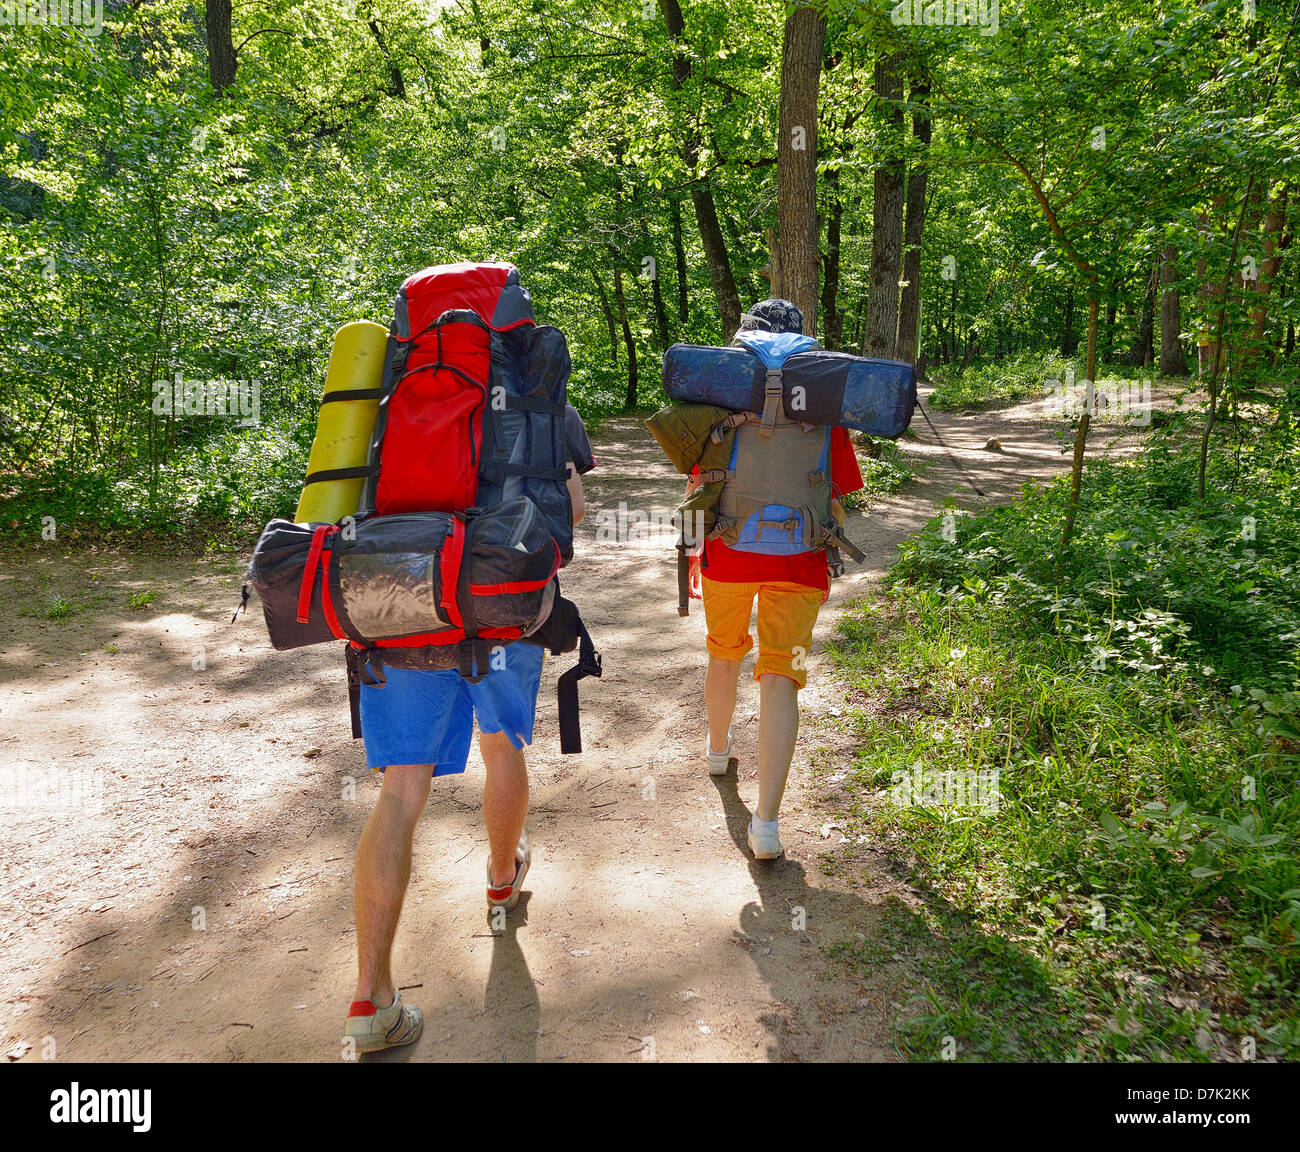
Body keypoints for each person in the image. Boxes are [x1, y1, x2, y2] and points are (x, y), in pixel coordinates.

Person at [343, 403, 594, 1053]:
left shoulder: (394, 396)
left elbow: (344, 505)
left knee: (399, 792)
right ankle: (502, 875)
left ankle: (371, 999)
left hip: (403, 602)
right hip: (501, 608)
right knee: (502, 746)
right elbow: (576, 510)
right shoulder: (541, 399)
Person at [689, 299, 864, 861]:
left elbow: (699, 483)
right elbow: (843, 490)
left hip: (728, 552)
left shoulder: (717, 400)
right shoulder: (825, 411)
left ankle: (719, 751)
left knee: (723, 655)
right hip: (801, 558)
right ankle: (766, 825)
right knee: (780, 679)